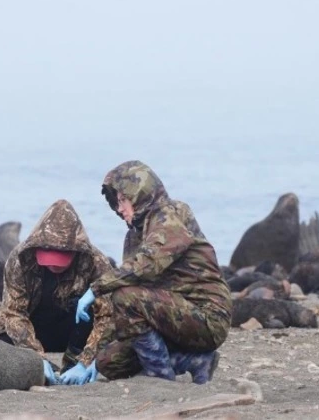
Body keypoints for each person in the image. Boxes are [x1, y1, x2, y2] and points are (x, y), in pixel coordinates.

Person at [74, 160, 232, 384]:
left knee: (126, 296)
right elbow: (129, 299)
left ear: (139, 194)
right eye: (117, 202)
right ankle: (195, 360)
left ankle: (159, 376)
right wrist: (87, 360)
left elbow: (148, 263)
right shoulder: (134, 235)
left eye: (124, 200)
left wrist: (95, 288)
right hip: (167, 318)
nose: (119, 209)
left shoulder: (171, 215)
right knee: (108, 362)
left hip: (206, 316)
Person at [0, 199, 114, 385]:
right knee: (0, 347)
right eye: (48, 257)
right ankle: (45, 367)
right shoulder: (20, 259)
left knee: (87, 310)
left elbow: (106, 316)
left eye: (61, 258)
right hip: (35, 327)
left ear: (76, 250)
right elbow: (14, 313)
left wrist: (86, 361)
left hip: (75, 330)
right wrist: (37, 358)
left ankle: (72, 364)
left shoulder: (95, 262)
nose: (53, 264)